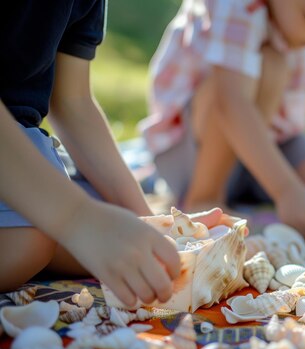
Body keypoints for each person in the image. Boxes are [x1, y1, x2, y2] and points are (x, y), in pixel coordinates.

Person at [0, 1, 230, 307]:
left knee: (120, 226)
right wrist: (76, 220)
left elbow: (73, 100)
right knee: (31, 243)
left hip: (21, 141)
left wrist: (150, 224)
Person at [141, 0, 305, 239]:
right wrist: (287, 190)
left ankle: (251, 188)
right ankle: (205, 197)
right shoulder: (236, 5)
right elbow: (230, 102)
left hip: (268, 139)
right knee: (272, 65)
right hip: (193, 150)